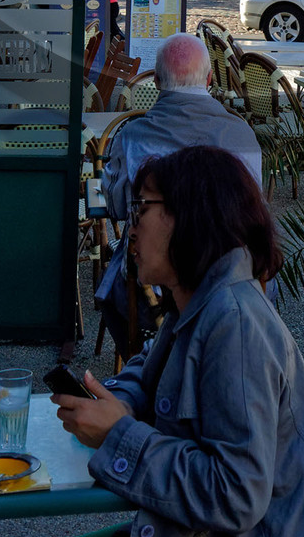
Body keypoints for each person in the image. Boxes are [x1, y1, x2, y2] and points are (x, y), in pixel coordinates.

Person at [0, 145, 304, 537]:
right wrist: (116, 400)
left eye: (140, 209)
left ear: (190, 216)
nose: (127, 228)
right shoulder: (203, 300)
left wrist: (119, 435)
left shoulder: (234, 326)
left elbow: (235, 492)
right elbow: (150, 370)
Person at [94, 34, 262, 349]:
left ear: (156, 81)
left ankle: (145, 361)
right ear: (210, 79)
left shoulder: (132, 137)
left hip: (153, 294)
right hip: (237, 288)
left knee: (120, 274)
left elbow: (116, 208)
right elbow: (255, 216)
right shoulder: (242, 135)